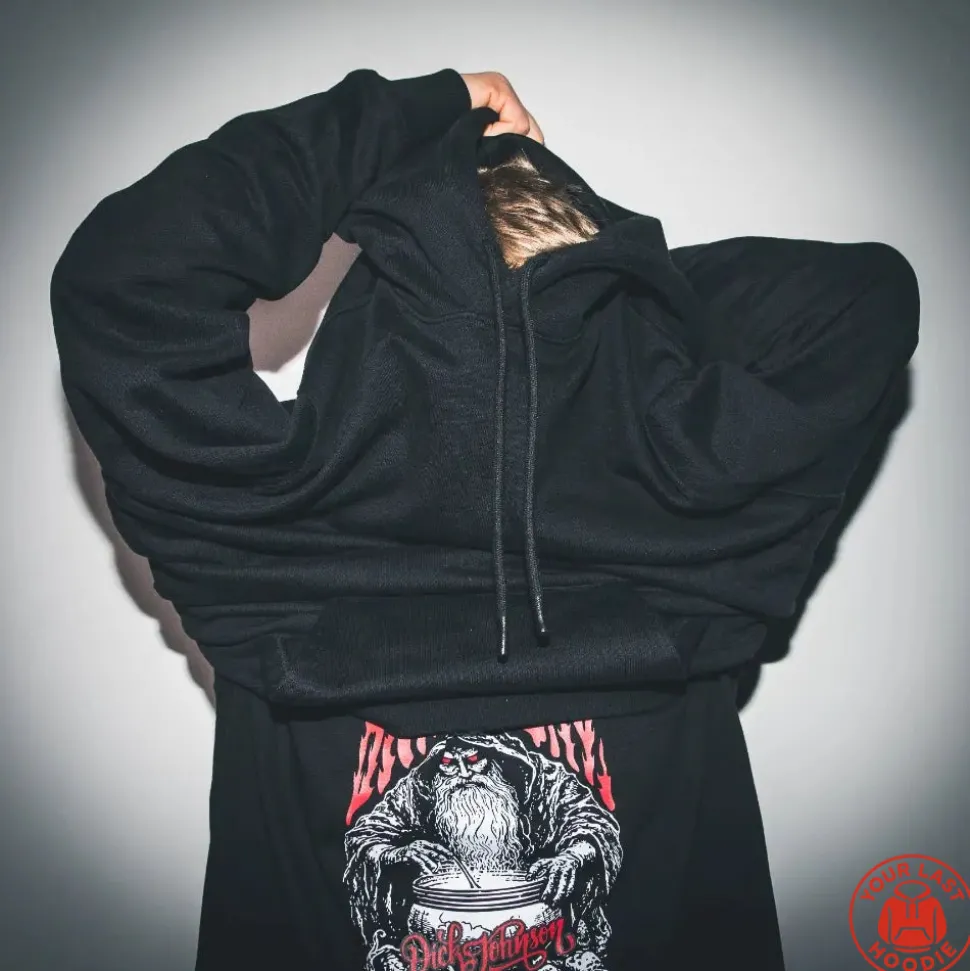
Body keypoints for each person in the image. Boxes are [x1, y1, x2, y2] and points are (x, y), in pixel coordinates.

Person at [49, 65, 920, 971]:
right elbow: (864, 298)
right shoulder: (705, 545)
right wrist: (593, 295)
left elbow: (126, 277)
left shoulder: (254, 548)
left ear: (374, 336)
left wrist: (421, 116)